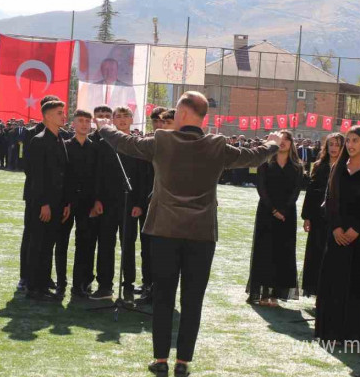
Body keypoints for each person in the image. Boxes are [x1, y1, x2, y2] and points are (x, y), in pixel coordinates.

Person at [96, 91, 280, 377]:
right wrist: (273, 143)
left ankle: (160, 359)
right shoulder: (217, 145)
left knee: (164, 296)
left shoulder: (162, 141)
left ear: (181, 113)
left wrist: (105, 126)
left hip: (164, 230)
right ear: (203, 116)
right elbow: (252, 156)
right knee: (192, 300)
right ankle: (183, 362)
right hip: (201, 234)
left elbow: (123, 142)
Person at [314, 126, 360, 348]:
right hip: (336, 234)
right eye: (348, 140)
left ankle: (353, 335)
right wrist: (336, 228)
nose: (350, 145)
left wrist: (356, 228)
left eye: (355, 140)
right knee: (333, 283)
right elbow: (330, 201)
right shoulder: (338, 168)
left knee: (356, 285)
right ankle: (330, 332)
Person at [90, 106, 144, 301]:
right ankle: (105, 286)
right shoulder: (106, 143)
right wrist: (97, 199)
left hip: (130, 204)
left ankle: (128, 286)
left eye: (125, 116)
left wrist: (139, 203)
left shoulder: (138, 143)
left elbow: (141, 178)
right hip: (107, 202)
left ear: (131, 119)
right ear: (113, 120)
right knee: (105, 244)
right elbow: (98, 174)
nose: (121, 120)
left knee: (128, 246)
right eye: (118, 117)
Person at [247, 130, 303, 306]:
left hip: (287, 215)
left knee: (283, 252)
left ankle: (276, 295)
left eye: (287, 140)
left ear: (291, 144)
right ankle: (263, 294)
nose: (284, 142)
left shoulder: (297, 166)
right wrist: (273, 210)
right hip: (266, 212)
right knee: (264, 251)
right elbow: (261, 188)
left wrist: (284, 210)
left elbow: (296, 191)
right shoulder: (265, 163)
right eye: (281, 139)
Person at [25, 100, 70, 300]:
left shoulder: (59, 139)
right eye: (60, 113)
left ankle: (43, 284)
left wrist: (66, 203)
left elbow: (64, 173)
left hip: (58, 203)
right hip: (42, 204)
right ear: (48, 116)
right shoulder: (39, 140)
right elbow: (36, 176)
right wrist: (43, 203)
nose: (64, 116)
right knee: (37, 244)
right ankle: (33, 287)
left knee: (48, 245)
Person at [17, 96, 61, 292]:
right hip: (36, 194)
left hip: (54, 196)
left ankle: (44, 276)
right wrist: (42, 198)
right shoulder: (32, 135)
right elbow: (30, 167)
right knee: (31, 236)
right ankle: (26, 276)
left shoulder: (62, 135)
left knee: (47, 239)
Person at [300, 133, 343, 297]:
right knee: (316, 252)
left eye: (337, 144)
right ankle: (316, 290)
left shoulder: (346, 167)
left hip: (337, 218)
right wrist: (307, 217)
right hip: (318, 217)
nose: (333, 148)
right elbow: (310, 192)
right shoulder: (319, 165)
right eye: (331, 144)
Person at [63, 109, 99, 298]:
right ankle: (61, 282)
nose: (84, 124)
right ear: (73, 123)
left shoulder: (95, 148)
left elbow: (98, 178)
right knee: (61, 243)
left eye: (87, 121)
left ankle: (81, 284)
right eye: (81, 121)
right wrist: (65, 202)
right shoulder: (65, 146)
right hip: (67, 203)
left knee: (85, 244)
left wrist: (95, 202)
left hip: (88, 203)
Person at [135, 106, 167, 304]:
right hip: (147, 203)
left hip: (167, 205)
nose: (158, 124)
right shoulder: (147, 143)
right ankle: (147, 282)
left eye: (162, 121)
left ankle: (160, 286)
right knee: (146, 245)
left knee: (163, 249)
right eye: (155, 121)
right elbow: (140, 177)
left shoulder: (175, 144)